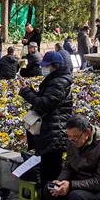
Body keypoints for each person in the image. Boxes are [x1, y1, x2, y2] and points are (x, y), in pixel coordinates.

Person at [19, 50, 73, 191]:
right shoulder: (55, 80)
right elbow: (45, 100)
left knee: (50, 173)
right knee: (47, 171)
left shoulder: (59, 82)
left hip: (55, 133)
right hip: (51, 131)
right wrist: (29, 89)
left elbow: (44, 104)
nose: (43, 68)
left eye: (46, 66)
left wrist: (26, 92)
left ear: (54, 66)